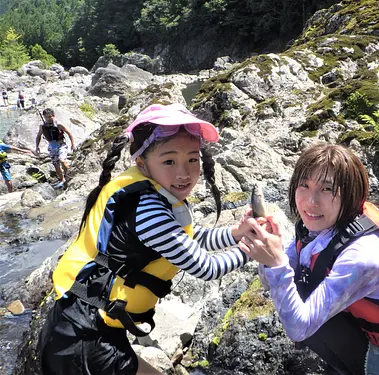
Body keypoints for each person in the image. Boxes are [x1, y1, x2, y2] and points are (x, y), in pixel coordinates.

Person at [38, 103, 255, 375]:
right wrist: (253, 250)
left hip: (80, 323)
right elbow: (205, 268)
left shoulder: (153, 195)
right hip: (84, 338)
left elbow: (191, 237)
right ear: (142, 162)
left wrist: (237, 233)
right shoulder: (150, 210)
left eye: (192, 159)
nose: (184, 173)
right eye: (169, 161)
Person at [240, 143, 379, 375]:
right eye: (304, 185)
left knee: (305, 312)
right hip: (366, 331)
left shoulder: (364, 255)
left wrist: (275, 263)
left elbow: (298, 328)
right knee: (302, 290)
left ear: (351, 195)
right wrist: (268, 253)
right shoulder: (319, 226)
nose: (311, 201)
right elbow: (271, 282)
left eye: (327, 189)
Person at [35, 108, 75, 188]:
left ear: (53, 116)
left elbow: (69, 133)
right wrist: (37, 147)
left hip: (61, 145)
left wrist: (72, 144)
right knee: (56, 165)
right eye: (46, 117)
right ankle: (63, 180)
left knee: (62, 160)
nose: (48, 119)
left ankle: (70, 176)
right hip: (52, 147)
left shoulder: (58, 124)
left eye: (50, 117)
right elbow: (38, 136)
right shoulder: (42, 126)